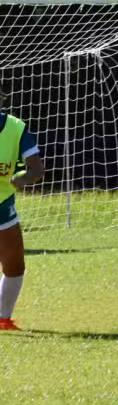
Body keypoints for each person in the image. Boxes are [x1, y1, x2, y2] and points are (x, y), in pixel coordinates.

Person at [0, 87, 44, 330]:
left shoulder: (15, 128)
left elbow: (36, 169)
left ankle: (3, 318)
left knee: (15, 265)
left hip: (2, 206)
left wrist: (24, 178)